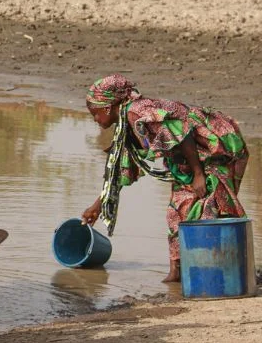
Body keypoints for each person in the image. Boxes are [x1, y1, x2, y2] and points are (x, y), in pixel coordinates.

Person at [81, 74, 248, 283]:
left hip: (216, 148)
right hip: (188, 161)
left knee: (210, 207)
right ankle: (177, 272)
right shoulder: (125, 125)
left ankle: (223, 273)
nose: (95, 120)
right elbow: (118, 172)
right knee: (176, 212)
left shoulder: (138, 112)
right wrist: (98, 206)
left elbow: (183, 133)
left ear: (107, 107)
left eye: (94, 114)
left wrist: (198, 175)